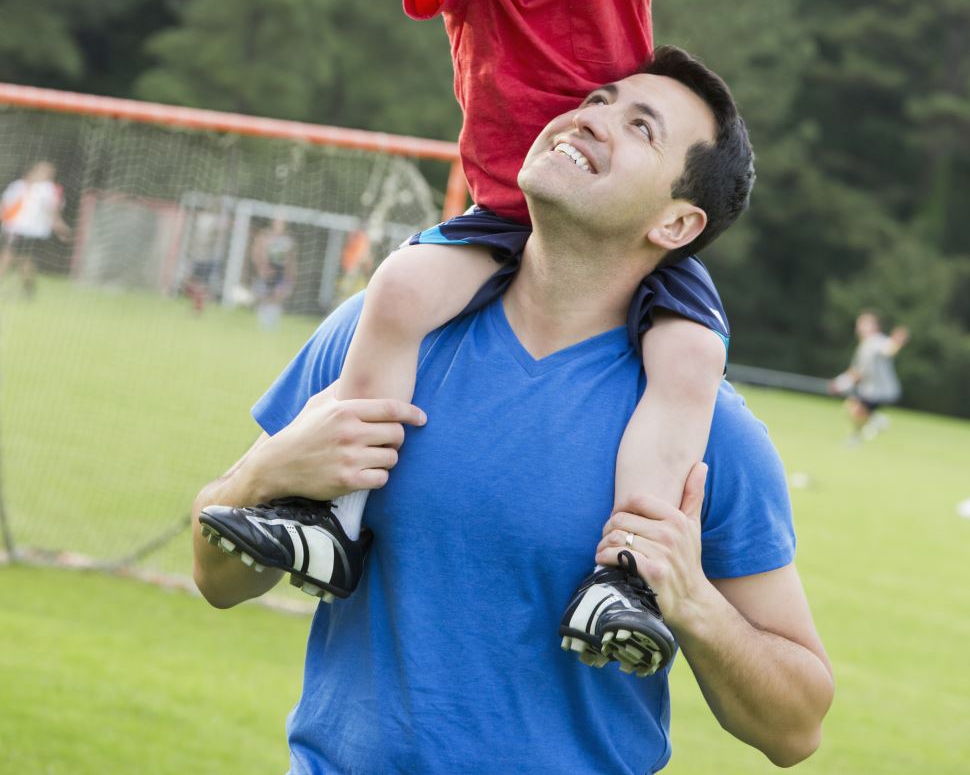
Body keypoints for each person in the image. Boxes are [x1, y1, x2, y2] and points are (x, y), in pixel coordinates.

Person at [203, 0, 734, 673]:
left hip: (610, 233)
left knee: (690, 356)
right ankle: (332, 517)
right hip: (501, 214)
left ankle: (622, 574)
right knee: (400, 287)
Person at [194, 56, 833, 773]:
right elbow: (216, 578)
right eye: (598, 99)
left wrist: (693, 602)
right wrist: (263, 473)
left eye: (641, 128)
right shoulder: (382, 333)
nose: (590, 118)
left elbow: (796, 729)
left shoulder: (708, 432)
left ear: (677, 222)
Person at [832, 310, 909, 443]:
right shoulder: (865, 345)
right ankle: (870, 425)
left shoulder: (876, 341)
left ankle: (872, 424)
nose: (859, 328)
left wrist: (898, 340)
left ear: (874, 326)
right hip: (870, 389)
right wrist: (841, 382)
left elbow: (889, 350)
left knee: (854, 408)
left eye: (863, 324)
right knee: (853, 408)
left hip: (881, 391)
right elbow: (857, 371)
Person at [0, 161, 71, 298]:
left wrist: (59, 226)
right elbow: (4, 205)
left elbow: (52, 210)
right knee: (9, 256)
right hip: (14, 228)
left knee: (22, 259)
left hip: (33, 231)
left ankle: (29, 287)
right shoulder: (18, 186)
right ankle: (29, 290)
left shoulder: (49, 190)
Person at [250, 217, 297, 330]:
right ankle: (262, 323)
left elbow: (291, 260)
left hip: (281, 272)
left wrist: (291, 274)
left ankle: (273, 325)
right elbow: (256, 253)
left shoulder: (288, 240)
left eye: (282, 223)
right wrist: (262, 267)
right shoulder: (265, 237)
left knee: (278, 296)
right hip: (267, 270)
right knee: (264, 295)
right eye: (278, 223)